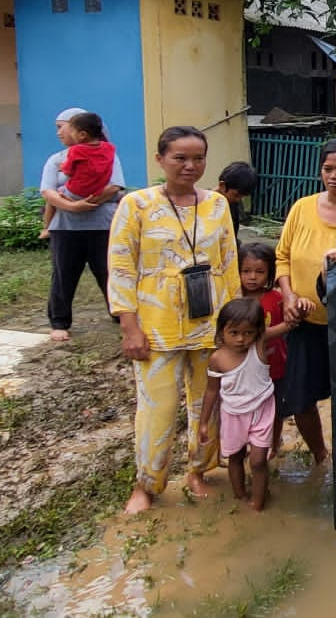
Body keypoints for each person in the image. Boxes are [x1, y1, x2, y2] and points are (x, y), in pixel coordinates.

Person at [108, 125, 241, 514]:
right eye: (179, 158)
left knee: (208, 404)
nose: (189, 165)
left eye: (198, 157)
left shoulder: (217, 205)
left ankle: (199, 471)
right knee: (157, 408)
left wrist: (232, 325)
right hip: (155, 325)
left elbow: (229, 263)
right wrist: (128, 325)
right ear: (160, 159)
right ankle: (147, 484)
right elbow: (120, 267)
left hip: (211, 324)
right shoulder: (136, 205)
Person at [274, 139, 336, 465]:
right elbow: (282, 256)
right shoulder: (301, 208)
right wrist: (289, 295)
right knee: (300, 399)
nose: (334, 176)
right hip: (305, 325)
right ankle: (321, 456)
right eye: (328, 169)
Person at [40, 107, 125, 343]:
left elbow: (115, 187)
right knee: (63, 275)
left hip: (102, 226)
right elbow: (47, 191)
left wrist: (88, 202)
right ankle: (59, 322)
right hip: (66, 228)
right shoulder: (56, 160)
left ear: (81, 131)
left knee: (109, 273)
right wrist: (74, 207)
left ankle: (119, 313)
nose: (58, 133)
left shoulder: (109, 154)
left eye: (62, 127)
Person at [198, 298, 275, 511]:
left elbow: (287, 326)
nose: (241, 339)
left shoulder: (258, 345)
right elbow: (212, 391)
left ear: (257, 332)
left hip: (262, 410)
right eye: (234, 333)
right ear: (222, 331)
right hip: (233, 414)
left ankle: (257, 504)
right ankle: (240, 496)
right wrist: (203, 423)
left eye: (248, 333)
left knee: (258, 460)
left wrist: (299, 309)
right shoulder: (217, 359)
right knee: (235, 456)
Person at [238, 242, 304, 457]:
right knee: (247, 408)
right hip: (244, 369)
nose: (252, 277)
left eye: (259, 272)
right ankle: (246, 444)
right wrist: (285, 327)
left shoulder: (276, 299)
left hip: (275, 367)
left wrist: (299, 309)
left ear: (270, 273)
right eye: (246, 271)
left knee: (274, 411)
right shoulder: (235, 300)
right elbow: (254, 336)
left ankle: (273, 445)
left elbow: (292, 314)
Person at [216, 161, 259, 234]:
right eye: (236, 195)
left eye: (242, 197)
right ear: (222, 185)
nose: (238, 199)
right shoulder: (203, 204)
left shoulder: (233, 204)